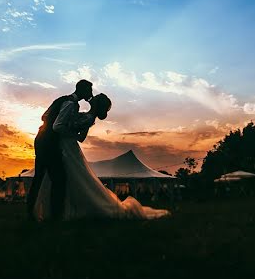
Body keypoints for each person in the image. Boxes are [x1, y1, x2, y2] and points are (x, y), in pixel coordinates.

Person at [32, 93, 170, 221]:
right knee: (62, 178)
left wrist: (68, 133)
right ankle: (59, 211)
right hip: (62, 145)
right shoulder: (85, 114)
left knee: (67, 178)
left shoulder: (89, 118)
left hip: (67, 146)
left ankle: (61, 212)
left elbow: (81, 137)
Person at [27, 79, 94, 221]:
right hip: (49, 142)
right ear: (83, 90)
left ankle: (30, 213)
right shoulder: (71, 104)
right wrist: (73, 134)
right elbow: (57, 127)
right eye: (89, 90)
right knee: (59, 180)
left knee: (39, 177)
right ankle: (55, 215)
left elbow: (44, 116)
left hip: (41, 139)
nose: (91, 94)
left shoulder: (62, 100)